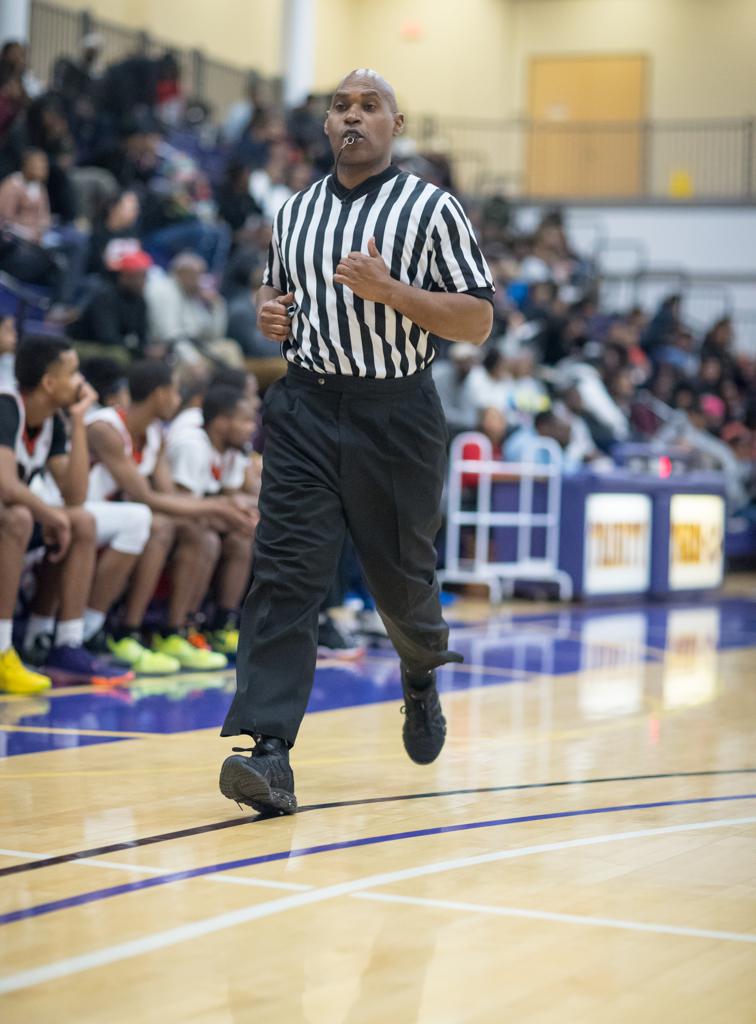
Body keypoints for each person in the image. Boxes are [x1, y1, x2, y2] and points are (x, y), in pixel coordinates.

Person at [218, 69, 494, 815]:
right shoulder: (296, 210)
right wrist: (271, 316)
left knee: (402, 579)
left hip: (396, 414)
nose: (353, 116)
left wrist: (393, 293)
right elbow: (273, 292)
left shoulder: (432, 209)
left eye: (370, 106)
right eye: (342, 105)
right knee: (285, 574)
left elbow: (476, 320)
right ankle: (268, 753)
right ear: (327, 123)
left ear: (395, 126)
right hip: (306, 405)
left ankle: (419, 672)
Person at [86, 360, 256, 670]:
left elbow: (168, 496)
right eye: (176, 392)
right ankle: (125, 630)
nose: (180, 401)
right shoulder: (105, 426)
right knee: (160, 526)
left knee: (198, 533)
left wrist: (222, 510)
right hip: (81, 511)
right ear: (160, 394)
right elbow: (146, 496)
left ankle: (176, 631)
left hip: (121, 519)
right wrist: (217, 507)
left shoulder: (155, 434)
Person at [0, 335, 133, 689]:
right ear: (48, 382)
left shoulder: (52, 420)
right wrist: (52, 515)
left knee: (82, 521)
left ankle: (63, 643)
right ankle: (2, 651)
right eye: (74, 373)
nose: (82, 384)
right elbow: (6, 484)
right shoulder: (7, 406)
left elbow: (75, 496)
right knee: (20, 516)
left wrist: (76, 420)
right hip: (8, 515)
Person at [166, 385, 258, 654]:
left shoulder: (232, 449)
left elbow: (231, 496)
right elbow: (183, 505)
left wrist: (239, 511)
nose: (252, 427)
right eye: (245, 420)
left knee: (243, 537)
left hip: (199, 517)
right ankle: (176, 629)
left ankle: (222, 625)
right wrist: (226, 511)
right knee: (205, 539)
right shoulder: (192, 445)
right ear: (220, 422)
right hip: (172, 519)